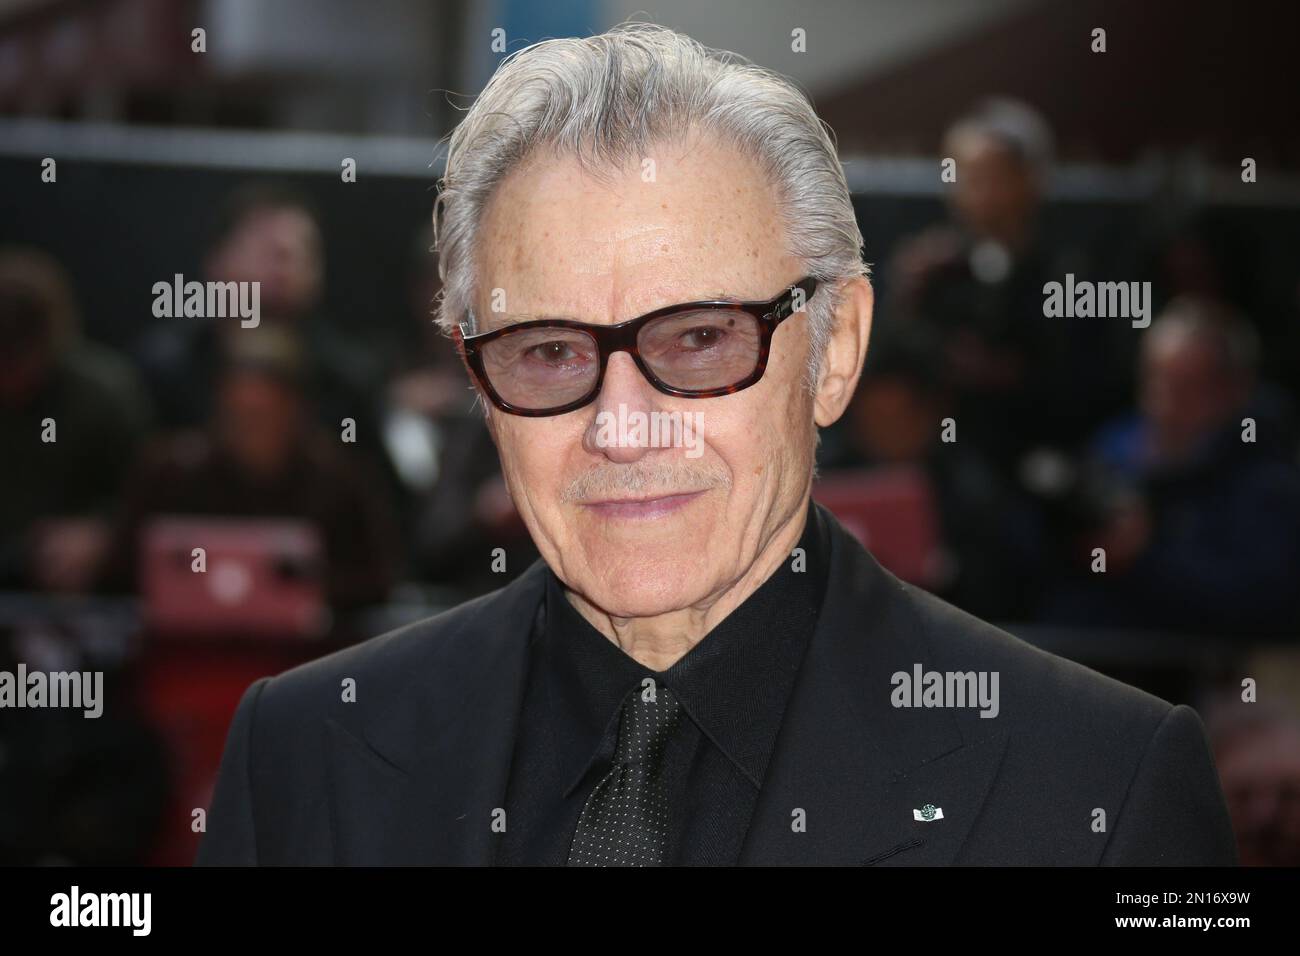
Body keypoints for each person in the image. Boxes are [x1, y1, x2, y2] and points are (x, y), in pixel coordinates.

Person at [197, 23, 1235, 866]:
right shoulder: (305, 754)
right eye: (550, 349)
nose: (621, 424)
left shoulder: (1102, 789)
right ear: (478, 380)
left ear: (835, 353)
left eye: (697, 339)